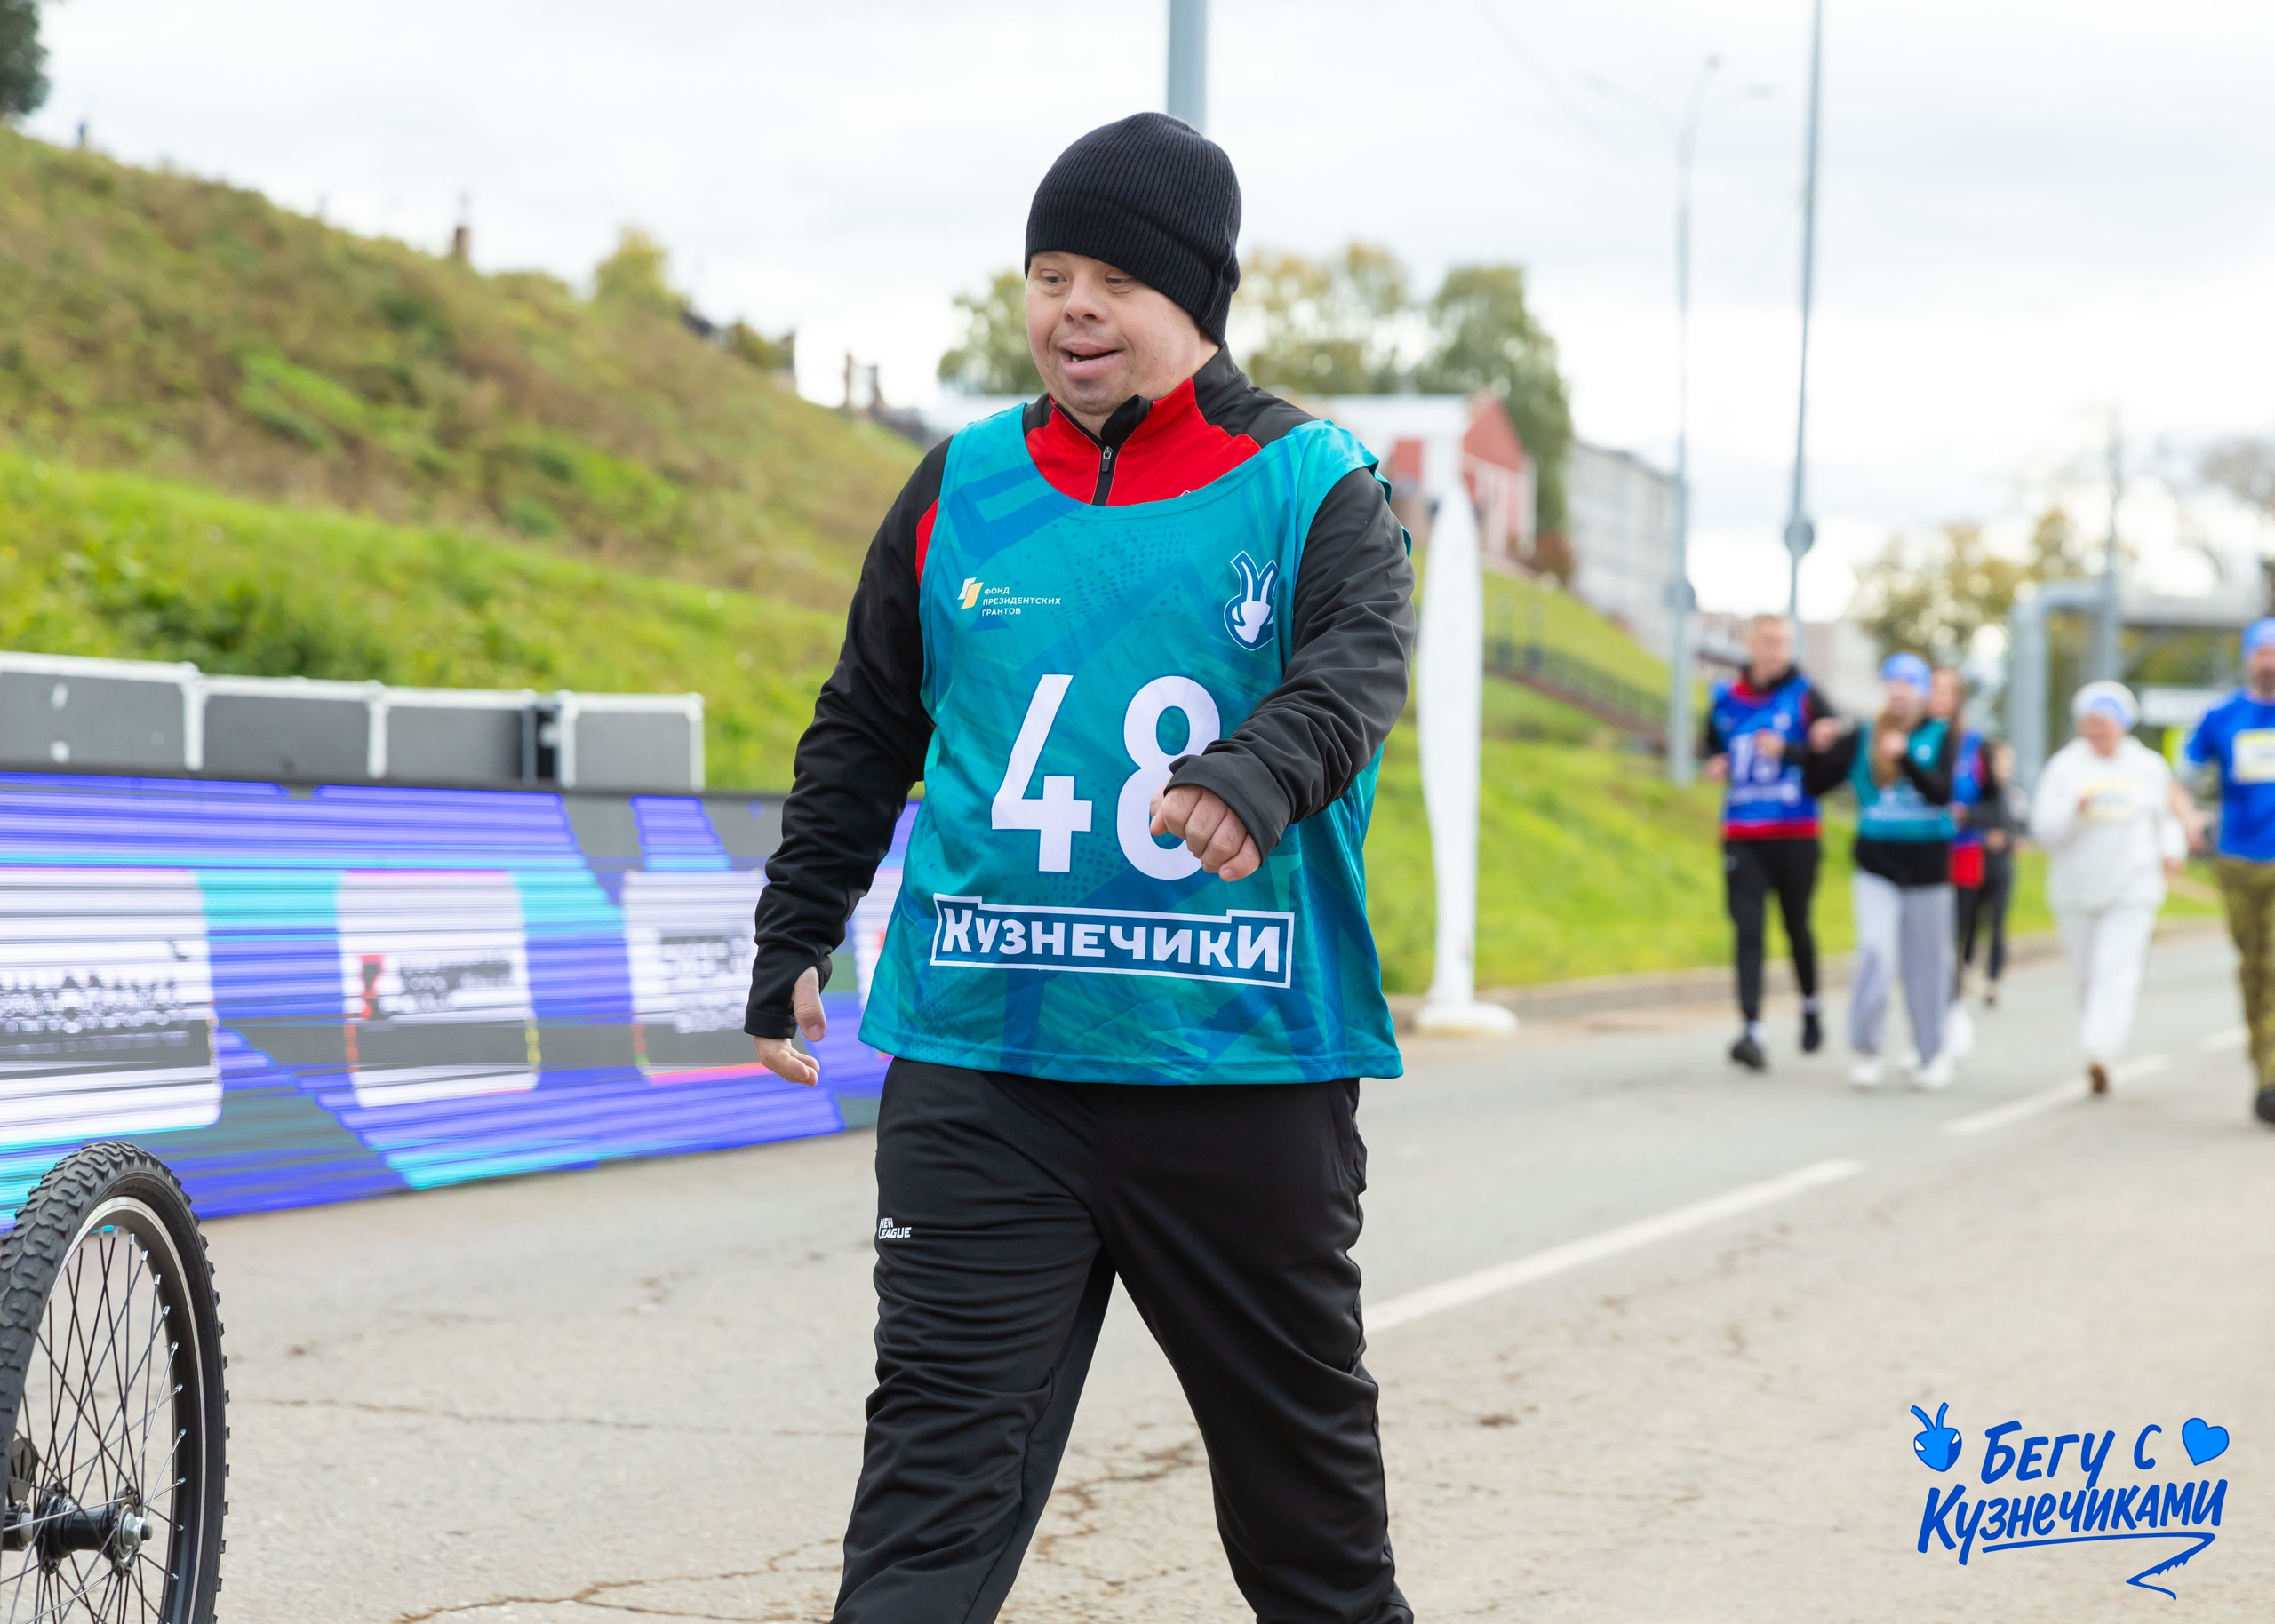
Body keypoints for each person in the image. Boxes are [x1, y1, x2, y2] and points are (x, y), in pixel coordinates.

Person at [740, 115, 1417, 1621]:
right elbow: (866, 721)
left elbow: (1356, 671)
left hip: (1236, 1069)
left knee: (1313, 1532)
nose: (1074, 309)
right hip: (989, 1066)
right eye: (1049, 274)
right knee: (926, 1505)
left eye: (1114, 276)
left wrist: (1253, 770)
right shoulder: (959, 485)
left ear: (1196, 300)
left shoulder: (1316, 485)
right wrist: (802, 922)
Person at [1803, 653, 1960, 1088]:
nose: (1899, 692)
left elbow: (1942, 792)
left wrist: (1907, 757)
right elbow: (1816, 783)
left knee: (1927, 965)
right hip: (1876, 862)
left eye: (1909, 684)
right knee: (1875, 951)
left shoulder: (1940, 734)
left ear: (1923, 692)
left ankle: (1931, 1053)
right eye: (1893, 683)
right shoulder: (1864, 735)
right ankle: (1868, 1048)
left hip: (1928, 866)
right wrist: (1818, 746)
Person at [2029, 682, 2187, 1095]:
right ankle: (2100, 1047)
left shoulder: (2147, 765)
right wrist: (2074, 811)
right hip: (2077, 887)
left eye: (2105, 723)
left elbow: (2167, 818)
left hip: (2133, 885)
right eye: (2091, 723)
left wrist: (2172, 850)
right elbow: (2043, 829)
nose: (2098, 731)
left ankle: (2102, 1051)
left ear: (2122, 724)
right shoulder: (2065, 767)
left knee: (2116, 970)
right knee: (2087, 975)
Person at [1700, 613, 1837, 1071]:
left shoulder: (1805, 694)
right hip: (1743, 832)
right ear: (1750, 643)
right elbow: (1711, 745)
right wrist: (1716, 764)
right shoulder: (1723, 697)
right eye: (1768, 641)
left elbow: (1829, 756)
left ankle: (1811, 1005)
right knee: (1747, 929)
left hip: (1795, 831)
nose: (1776, 650)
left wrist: (1794, 750)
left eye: (1783, 642)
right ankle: (1751, 1028)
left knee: (1796, 926)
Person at [2184, 616, 2275, 1126]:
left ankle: (2271, 1082)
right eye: (2263, 653)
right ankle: (2263, 1058)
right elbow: (2186, 775)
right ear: (2249, 659)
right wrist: (2189, 814)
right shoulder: (2222, 716)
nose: (2270, 662)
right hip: (2238, 859)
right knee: (2253, 968)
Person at [1928, 666, 1995, 1057]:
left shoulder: (1974, 745)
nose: (1937, 697)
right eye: (1932, 689)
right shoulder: (1910, 739)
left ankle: (1951, 1012)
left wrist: (1967, 816)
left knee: (1955, 936)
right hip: (1919, 852)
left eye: (1946, 691)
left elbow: (1994, 802)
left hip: (1962, 852)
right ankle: (1927, 1018)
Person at [1963, 739, 2023, 1008]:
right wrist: (1983, 836)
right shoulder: (1978, 793)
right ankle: (1964, 971)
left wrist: (2009, 839)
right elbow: (1964, 818)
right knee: (1971, 922)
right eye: (2000, 761)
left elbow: (2022, 831)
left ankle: (1993, 979)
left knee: (1998, 925)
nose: (2005, 767)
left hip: (2002, 866)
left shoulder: (2015, 795)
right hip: (1976, 863)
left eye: (2009, 762)